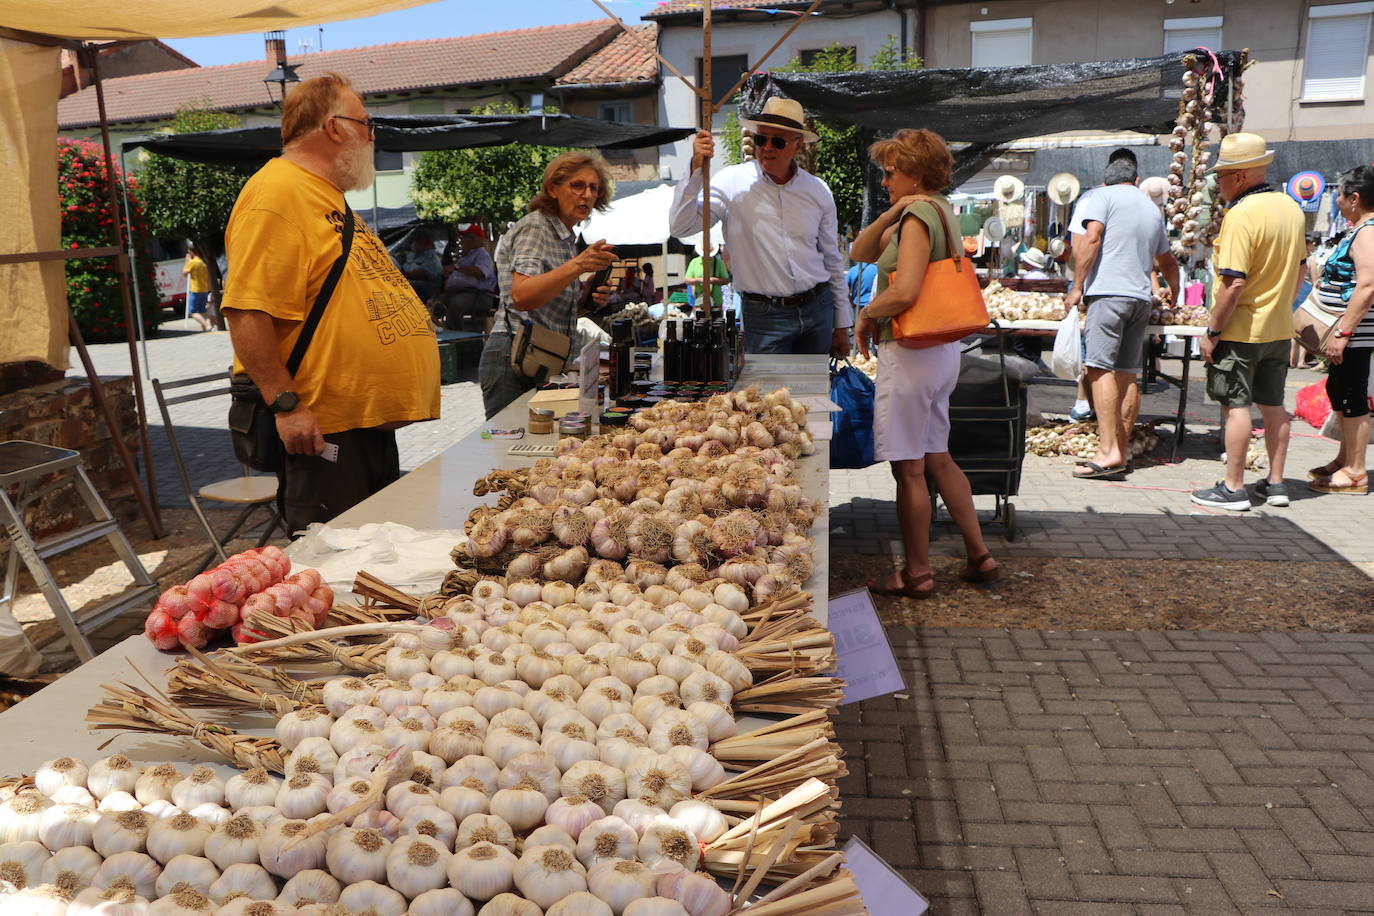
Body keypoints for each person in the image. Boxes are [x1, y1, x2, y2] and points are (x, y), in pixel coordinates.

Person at [221, 72, 440, 534]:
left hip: (361, 428)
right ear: (335, 126)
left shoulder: (325, 197)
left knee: (376, 565)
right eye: (367, 123)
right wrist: (287, 406)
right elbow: (246, 310)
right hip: (322, 430)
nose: (372, 135)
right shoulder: (278, 193)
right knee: (338, 573)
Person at [851, 128, 999, 598]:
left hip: (911, 350)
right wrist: (892, 210)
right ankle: (979, 553)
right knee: (939, 457)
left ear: (914, 172)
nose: (886, 179)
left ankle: (916, 572)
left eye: (892, 172)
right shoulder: (937, 210)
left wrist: (867, 313)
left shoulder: (917, 216)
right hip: (941, 351)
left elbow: (906, 290)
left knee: (909, 469)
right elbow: (858, 252)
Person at [669, 97, 852, 356]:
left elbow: (832, 259)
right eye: (760, 138)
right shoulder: (731, 182)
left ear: (798, 145)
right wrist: (695, 168)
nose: (766, 147)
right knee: (767, 396)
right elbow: (681, 226)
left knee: (814, 393)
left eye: (777, 141)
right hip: (765, 317)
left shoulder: (817, 190)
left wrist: (842, 324)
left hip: (817, 309)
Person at [1189, 133, 1306, 511]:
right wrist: (1281, 308)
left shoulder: (1241, 215)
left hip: (1241, 331)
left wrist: (1212, 331)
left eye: (1220, 176)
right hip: (1277, 329)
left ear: (1239, 177)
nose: (1217, 184)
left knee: (1236, 406)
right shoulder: (1290, 207)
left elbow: (1233, 282)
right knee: (1273, 405)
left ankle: (1234, 487)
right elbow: (1302, 270)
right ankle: (1276, 485)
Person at [1064, 154, 1178, 481]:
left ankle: (1108, 451)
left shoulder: (1100, 197)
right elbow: (1167, 260)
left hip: (1108, 295)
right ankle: (1122, 452)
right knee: (1127, 374)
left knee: (1098, 370)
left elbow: (1092, 238)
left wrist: (1076, 286)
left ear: (1106, 179)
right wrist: (1177, 292)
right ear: (1136, 180)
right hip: (1140, 299)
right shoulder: (1149, 208)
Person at [478, 150, 618, 418]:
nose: (587, 194)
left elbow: (545, 308)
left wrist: (584, 301)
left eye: (594, 188)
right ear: (553, 189)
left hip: (537, 359)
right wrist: (578, 266)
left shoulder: (564, 237)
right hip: (514, 358)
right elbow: (521, 296)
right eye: (577, 185)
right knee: (511, 453)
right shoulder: (537, 227)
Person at [1307, 165, 1374, 494]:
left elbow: (1367, 285)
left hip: (1355, 335)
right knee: (1340, 391)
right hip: (1349, 332)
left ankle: (1357, 472)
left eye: (1340, 194)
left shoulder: (1368, 232)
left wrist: (1344, 333)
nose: (1337, 199)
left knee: (1353, 397)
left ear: (1355, 198)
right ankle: (1345, 458)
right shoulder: (1360, 229)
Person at [440, 223, 497, 331]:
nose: (461, 241)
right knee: (435, 306)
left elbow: (480, 272)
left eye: (464, 238)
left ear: (473, 240)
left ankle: (458, 337)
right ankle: (443, 332)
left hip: (477, 295)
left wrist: (456, 268)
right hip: (458, 292)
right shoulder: (465, 257)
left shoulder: (482, 255)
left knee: (456, 305)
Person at [399, 229, 443, 304]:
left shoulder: (432, 258)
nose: (414, 242)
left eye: (418, 240)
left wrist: (403, 275)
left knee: (407, 286)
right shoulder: (412, 255)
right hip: (409, 282)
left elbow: (423, 274)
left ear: (426, 242)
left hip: (426, 289)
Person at [685, 243, 729, 311]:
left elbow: (726, 280)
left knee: (717, 321)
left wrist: (713, 280)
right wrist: (699, 280)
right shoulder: (694, 262)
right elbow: (687, 280)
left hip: (716, 302)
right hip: (699, 302)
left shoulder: (719, 262)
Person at [182, 244, 213, 331]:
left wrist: (187, 262)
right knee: (202, 311)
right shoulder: (203, 261)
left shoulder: (193, 262)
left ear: (191, 252)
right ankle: (206, 328)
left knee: (193, 312)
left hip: (195, 289)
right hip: (204, 289)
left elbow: (184, 273)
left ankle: (207, 325)